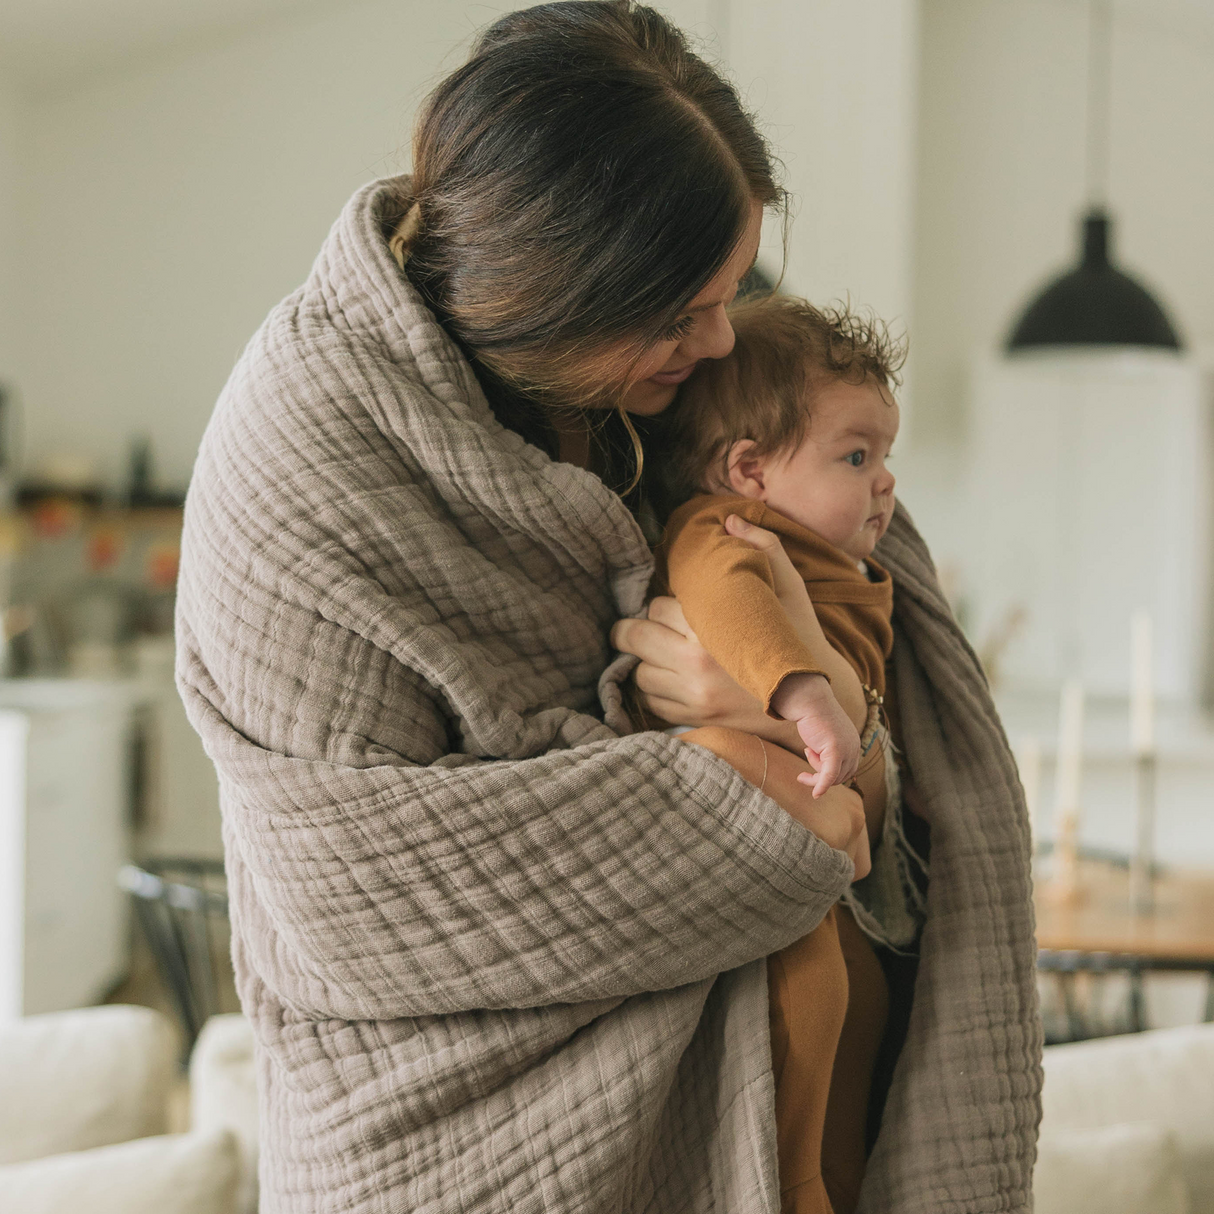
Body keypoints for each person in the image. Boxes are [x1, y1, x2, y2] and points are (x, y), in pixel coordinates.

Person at [175, 4, 1041, 1212]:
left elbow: (883, 740)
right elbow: (342, 901)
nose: (721, 335)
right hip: (445, 1153)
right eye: (680, 311)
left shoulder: (699, 395)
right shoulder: (302, 457)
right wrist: (763, 802)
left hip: (799, 1115)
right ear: (552, 288)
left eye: (729, 290)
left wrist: (824, 716)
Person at [642, 293, 927, 1212]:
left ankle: (833, 1178)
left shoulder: (836, 557)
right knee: (808, 1002)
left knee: (860, 1010)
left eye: (884, 455)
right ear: (749, 469)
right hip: (766, 851)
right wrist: (806, 694)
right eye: (855, 455)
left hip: (833, 856)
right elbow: (724, 601)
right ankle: (797, 1184)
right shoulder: (730, 531)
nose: (885, 482)